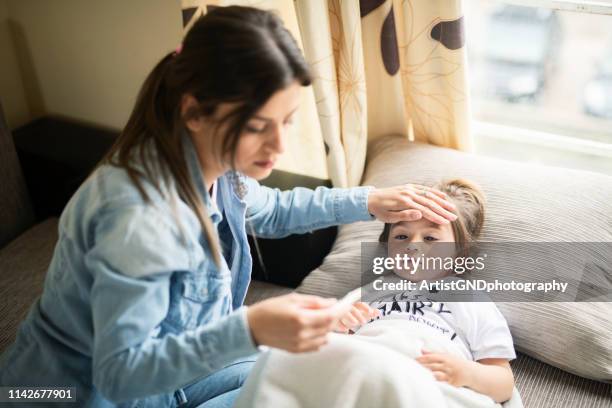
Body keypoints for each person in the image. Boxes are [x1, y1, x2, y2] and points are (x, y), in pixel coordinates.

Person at [0, 6, 457, 408]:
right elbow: (121, 373)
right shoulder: (138, 218)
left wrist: (369, 201)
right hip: (73, 394)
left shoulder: (219, 167)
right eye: (259, 127)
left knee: (337, 378)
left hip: (174, 378)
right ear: (195, 111)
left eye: (287, 122)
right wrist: (250, 329)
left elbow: (273, 211)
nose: (279, 145)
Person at [338, 179, 516, 403]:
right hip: (368, 369)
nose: (413, 246)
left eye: (430, 238)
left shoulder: (470, 298)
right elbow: (335, 346)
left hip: (428, 383)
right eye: (401, 236)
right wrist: (339, 327)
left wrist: (466, 373)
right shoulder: (372, 290)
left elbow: (503, 383)